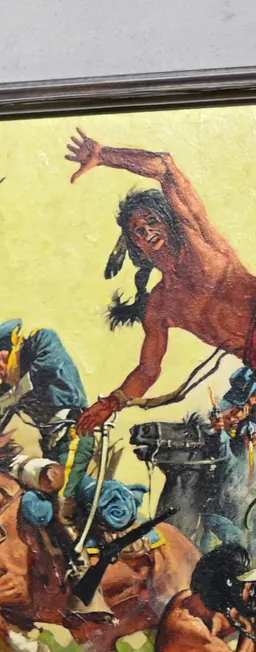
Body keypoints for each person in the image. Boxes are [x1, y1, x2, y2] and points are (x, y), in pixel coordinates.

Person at [66, 131, 256, 440]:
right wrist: (112, 402)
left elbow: (165, 167)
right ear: (137, 248)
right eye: (138, 231)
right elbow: (148, 370)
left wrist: (103, 155)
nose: (146, 232)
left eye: (151, 221)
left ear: (169, 221)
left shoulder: (201, 242)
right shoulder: (160, 305)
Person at [0, 318, 94, 565]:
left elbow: (46, 369)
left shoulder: (42, 341)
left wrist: (10, 398)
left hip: (75, 435)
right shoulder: (9, 386)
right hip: (52, 446)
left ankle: (81, 567)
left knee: (61, 505)